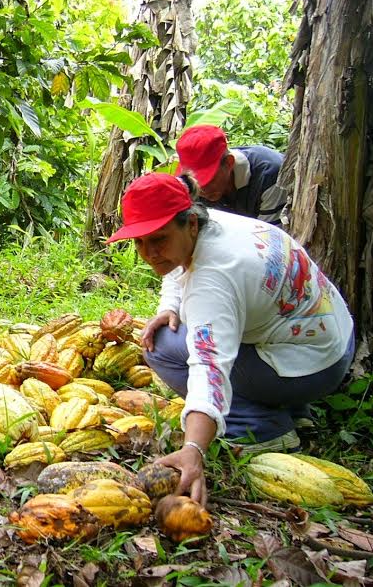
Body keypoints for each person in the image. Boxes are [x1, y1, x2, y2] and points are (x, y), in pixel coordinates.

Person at [107, 172, 354, 505]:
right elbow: (176, 268)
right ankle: (294, 407)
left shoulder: (214, 280)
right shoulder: (212, 223)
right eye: (139, 241)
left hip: (314, 367)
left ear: (190, 224)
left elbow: (209, 369)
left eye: (158, 239)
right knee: (175, 328)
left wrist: (193, 449)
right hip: (332, 339)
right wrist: (169, 306)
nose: (148, 253)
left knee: (163, 348)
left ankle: (263, 427)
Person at [175, 124, 287, 227]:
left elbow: (269, 238)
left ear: (229, 163)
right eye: (197, 183)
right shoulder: (191, 186)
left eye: (209, 180)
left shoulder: (269, 175)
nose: (202, 190)